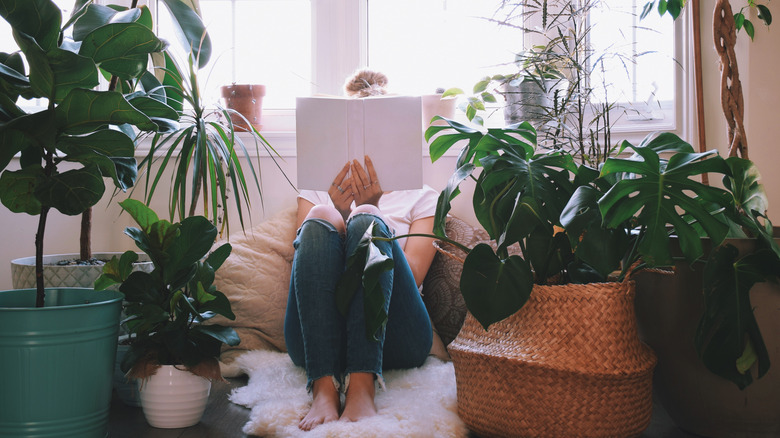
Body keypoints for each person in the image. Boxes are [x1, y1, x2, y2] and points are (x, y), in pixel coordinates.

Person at [284, 69, 440, 431]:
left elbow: (413, 276)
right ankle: (324, 388)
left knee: (367, 216)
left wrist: (373, 214)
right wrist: (339, 214)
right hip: (318, 337)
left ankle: (362, 386)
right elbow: (304, 274)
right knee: (324, 215)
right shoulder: (316, 191)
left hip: (396, 337)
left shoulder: (424, 197)